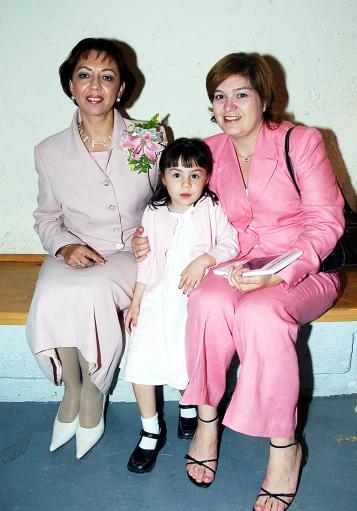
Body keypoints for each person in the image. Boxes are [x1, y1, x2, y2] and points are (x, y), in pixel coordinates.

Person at [133, 52, 344, 510]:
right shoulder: (210, 149)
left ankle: (285, 448)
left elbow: (327, 223)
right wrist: (143, 236)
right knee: (205, 302)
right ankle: (208, 421)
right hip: (235, 266)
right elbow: (177, 202)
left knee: (263, 317)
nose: (228, 106)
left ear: (264, 97)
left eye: (241, 94)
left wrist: (278, 274)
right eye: (219, 96)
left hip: (304, 268)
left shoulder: (301, 141)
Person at [27, 38, 161, 460]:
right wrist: (65, 247)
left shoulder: (150, 139)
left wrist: (152, 235)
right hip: (74, 252)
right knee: (53, 292)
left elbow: (168, 202)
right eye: (84, 75)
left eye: (108, 76)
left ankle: (93, 394)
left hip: (129, 255)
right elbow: (46, 218)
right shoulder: (48, 151)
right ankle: (71, 389)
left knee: (90, 293)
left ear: (122, 88)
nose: (95, 85)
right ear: (70, 84)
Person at [122, 138, 238, 474]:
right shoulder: (154, 213)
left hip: (193, 299)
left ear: (206, 178)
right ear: (162, 178)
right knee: (142, 357)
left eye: (194, 175)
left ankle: (189, 408)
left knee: (189, 359)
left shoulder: (212, 208)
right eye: (176, 175)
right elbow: (147, 260)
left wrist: (205, 259)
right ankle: (150, 429)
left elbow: (230, 241)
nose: (185, 184)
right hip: (158, 297)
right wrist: (136, 301)